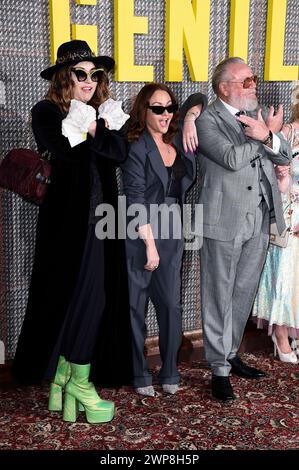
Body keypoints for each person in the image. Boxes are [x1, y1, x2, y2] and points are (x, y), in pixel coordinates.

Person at [12, 40, 132, 423]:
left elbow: (119, 154)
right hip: (68, 224)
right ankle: (75, 381)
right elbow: (67, 153)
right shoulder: (46, 111)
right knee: (77, 297)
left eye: (95, 74)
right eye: (81, 73)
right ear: (65, 76)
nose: (89, 80)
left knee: (98, 298)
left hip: (104, 220)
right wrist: (93, 130)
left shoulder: (105, 112)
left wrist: (95, 127)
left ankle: (68, 379)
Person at [182, 57, 292, 401]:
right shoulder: (205, 119)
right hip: (222, 220)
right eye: (245, 81)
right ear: (223, 87)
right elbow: (229, 157)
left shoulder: (255, 114)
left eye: (253, 79)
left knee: (243, 291)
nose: (253, 85)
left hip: (259, 217)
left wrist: (268, 135)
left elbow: (285, 155)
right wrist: (261, 137)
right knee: (218, 293)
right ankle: (218, 369)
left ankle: (230, 355)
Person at [122, 83, 206, 396]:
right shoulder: (135, 147)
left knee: (171, 305)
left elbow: (201, 100)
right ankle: (140, 374)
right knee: (136, 305)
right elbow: (135, 198)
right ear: (143, 111)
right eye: (158, 108)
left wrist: (189, 119)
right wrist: (150, 245)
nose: (165, 114)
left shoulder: (179, 142)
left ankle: (170, 368)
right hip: (140, 233)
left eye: (170, 107)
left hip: (173, 232)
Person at [252, 83, 299, 363]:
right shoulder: (288, 132)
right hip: (288, 212)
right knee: (284, 272)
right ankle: (280, 334)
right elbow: (270, 172)